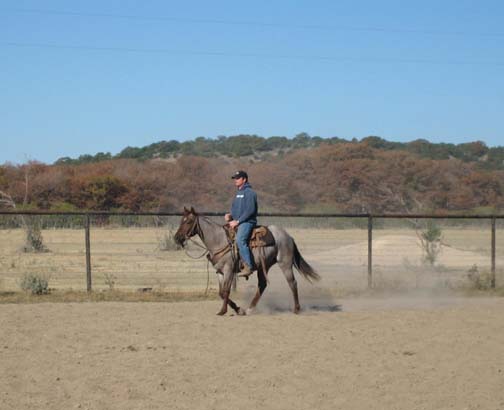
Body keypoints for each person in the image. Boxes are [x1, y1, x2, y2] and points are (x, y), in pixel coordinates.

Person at [225, 170, 258, 278]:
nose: (235, 180)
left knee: (240, 240)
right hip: (237, 222)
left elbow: (250, 210)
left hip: (247, 222)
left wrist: (238, 221)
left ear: (244, 179)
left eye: (238, 178)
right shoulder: (239, 193)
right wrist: (230, 215)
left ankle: (248, 266)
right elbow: (235, 209)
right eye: (235, 178)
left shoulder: (250, 192)